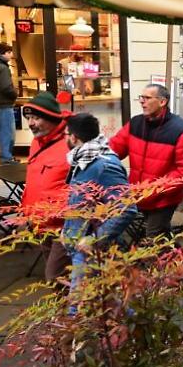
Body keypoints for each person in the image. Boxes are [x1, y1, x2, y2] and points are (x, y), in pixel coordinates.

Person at [109, 84, 183, 239]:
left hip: (163, 198)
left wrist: (154, 189)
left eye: (147, 98)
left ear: (162, 101)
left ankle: (175, 262)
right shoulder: (135, 123)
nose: (142, 102)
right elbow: (114, 149)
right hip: (137, 193)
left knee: (154, 237)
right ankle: (179, 262)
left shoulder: (180, 130)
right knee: (158, 238)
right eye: (141, 98)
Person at [63, 112, 138, 288]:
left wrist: (94, 239)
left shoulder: (103, 164)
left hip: (93, 251)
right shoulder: (83, 159)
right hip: (81, 246)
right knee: (105, 304)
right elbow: (80, 202)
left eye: (66, 135)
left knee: (83, 305)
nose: (64, 139)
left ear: (74, 138)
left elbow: (127, 208)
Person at [20, 92, 71, 280]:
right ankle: (66, 307)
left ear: (51, 118)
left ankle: (74, 307)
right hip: (40, 223)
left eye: (36, 118)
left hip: (63, 226)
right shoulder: (36, 143)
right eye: (29, 118)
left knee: (55, 275)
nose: (31, 123)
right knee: (60, 277)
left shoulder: (71, 144)